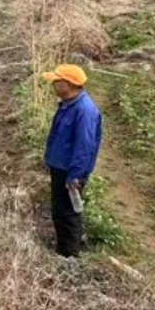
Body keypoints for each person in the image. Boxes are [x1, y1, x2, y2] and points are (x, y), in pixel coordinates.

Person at [42, 64, 102, 258]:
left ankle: (69, 255)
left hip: (70, 172)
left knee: (67, 213)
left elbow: (84, 148)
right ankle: (64, 247)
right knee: (61, 210)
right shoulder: (69, 104)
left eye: (57, 82)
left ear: (68, 85)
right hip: (60, 168)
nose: (53, 85)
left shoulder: (85, 111)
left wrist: (75, 176)